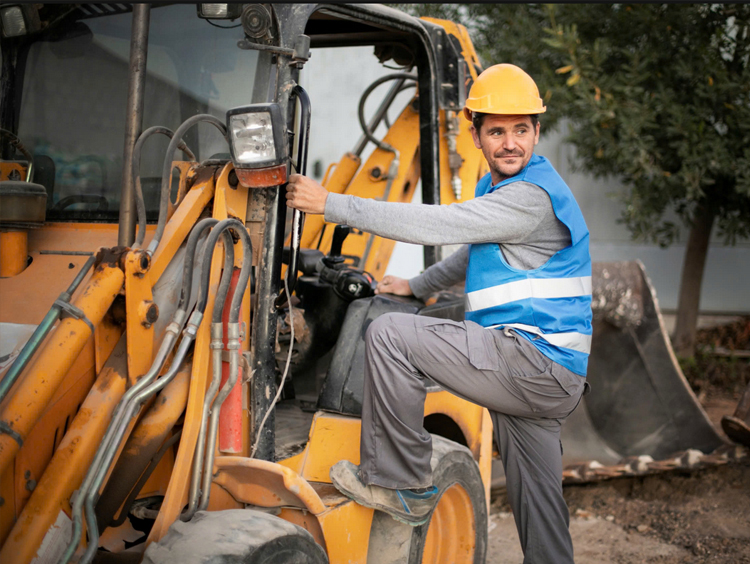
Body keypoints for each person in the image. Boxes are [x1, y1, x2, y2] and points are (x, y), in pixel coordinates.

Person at [286, 63, 592, 564]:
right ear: (476, 135)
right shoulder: (512, 190)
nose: (510, 143)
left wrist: (331, 204)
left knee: (390, 335)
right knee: (541, 515)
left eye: (520, 130)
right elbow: (474, 251)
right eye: (497, 132)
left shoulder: (529, 198)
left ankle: (400, 482)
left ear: (537, 132)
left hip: (531, 361)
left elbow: (440, 223)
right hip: (554, 377)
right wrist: (417, 285)